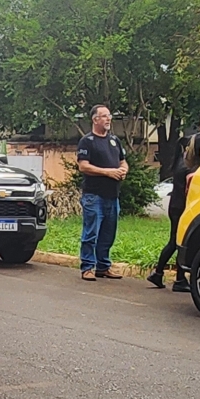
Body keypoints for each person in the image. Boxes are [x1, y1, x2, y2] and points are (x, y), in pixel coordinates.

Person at [77, 105, 128, 281]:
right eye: (104, 116)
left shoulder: (114, 140)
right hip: (94, 196)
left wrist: (122, 170)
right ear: (95, 119)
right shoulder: (87, 141)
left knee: (108, 233)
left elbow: (123, 162)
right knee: (91, 233)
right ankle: (87, 267)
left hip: (112, 196)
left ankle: (103, 266)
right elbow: (83, 165)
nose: (108, 119)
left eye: (109, 116)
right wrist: (107, 172)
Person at [147, 125, 194, 292]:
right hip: (180, 207)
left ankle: (173, 277)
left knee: (178, 241)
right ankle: (162, 274)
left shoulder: (179, 161)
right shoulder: (187, 165)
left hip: (175, 206)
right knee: (177, 242)